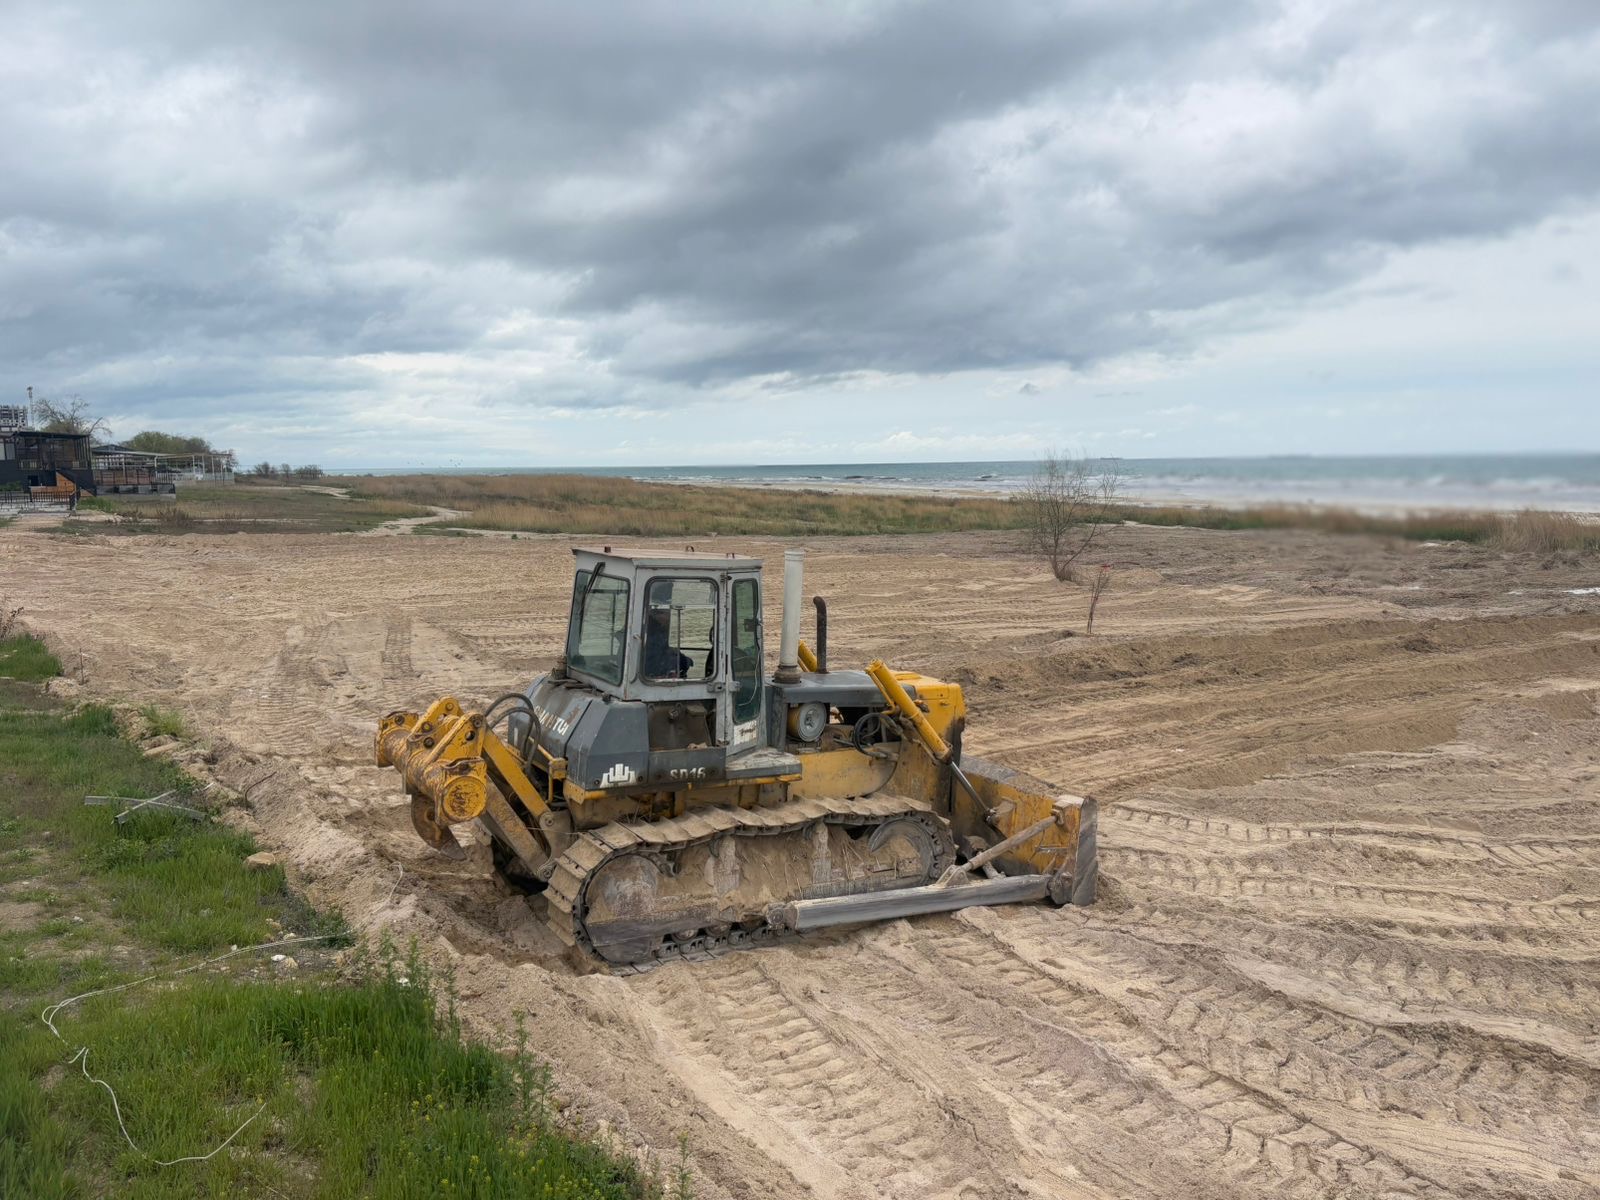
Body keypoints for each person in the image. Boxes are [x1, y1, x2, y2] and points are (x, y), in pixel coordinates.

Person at [643, 608, 694, 679]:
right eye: (663, 613)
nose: (667, 616)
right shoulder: (653, 633)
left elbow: (662, 651)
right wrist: (683, 661)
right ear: (656, 615)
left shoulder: (657, 629)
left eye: (668, 613)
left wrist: (675, 653)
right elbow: (653, 659)